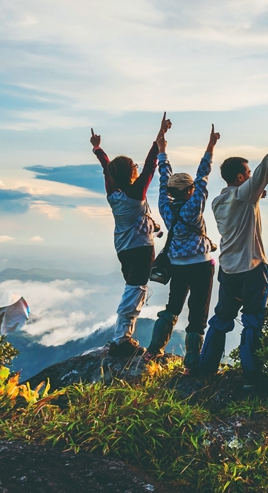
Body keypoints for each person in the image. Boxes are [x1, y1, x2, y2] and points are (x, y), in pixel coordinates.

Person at [198, 117, 268, 389]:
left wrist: (257, 194)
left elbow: (246, 195)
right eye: (247, 172)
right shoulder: (245, 195)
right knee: (253, 321)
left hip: (228, 270)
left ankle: (205, 368)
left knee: (221, 319)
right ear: (241, 177)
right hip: (252, 268)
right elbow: (265, 170)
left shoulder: (219, 201)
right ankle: (253, 377)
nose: (251, 174)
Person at [91, 113, 171, 357]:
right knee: (136, 290)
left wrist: (98, 149)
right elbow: (150, 166)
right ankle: (121, 338)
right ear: (130, 172)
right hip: (140, 249)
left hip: (123, 248)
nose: (137, 167)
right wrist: (159, 141)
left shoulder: (112, 192)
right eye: (133, 166)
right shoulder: (135, 193)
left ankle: (123, 336)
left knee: (134, 287)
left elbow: (107, 168)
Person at [144, 124, 220, 374]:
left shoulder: (165, 208)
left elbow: (163, 178)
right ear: (189, 192)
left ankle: (153, 351)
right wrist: (210, 147)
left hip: (177, 266)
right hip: (200, 266)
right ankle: (191, 364)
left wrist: (162, 150)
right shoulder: (194, 206)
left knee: (172, 307)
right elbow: (203, 176)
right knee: (198, 315)